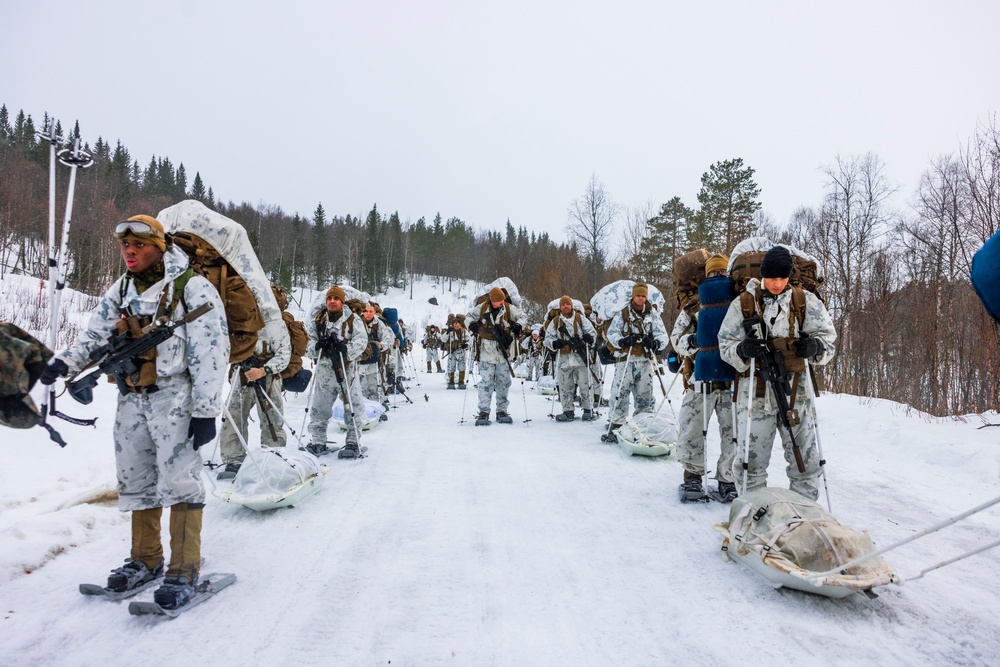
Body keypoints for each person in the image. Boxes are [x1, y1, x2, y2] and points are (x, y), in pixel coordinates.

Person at [39, 214, 228, 609]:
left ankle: (184, 568)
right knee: (135, 478)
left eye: (139, 244)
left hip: (176, 399)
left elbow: (212, 353)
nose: (130, 251)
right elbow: (96, 336)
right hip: (131, 398)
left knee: (180, 480)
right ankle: (146, 558)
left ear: (159, 246)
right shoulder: (122, 288)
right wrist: (65, 364)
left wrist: (206, 411)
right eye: (125, 245)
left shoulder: (191, 288)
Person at [718, 245, 837, 500]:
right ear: (763, 275)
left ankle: (803, 517)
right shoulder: (744, 303)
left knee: (805, 462)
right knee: (750, 464)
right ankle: (751, 515)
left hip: (796, 394)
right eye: (772, 278)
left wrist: (815, 346)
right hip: (755, 396)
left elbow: (828, 341)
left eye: (782, 278)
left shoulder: (804, 300)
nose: (777, 283)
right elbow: (725, 344)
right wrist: (742, 350)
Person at [671, 254, 736, 502]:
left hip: (731, 382)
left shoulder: (737, 303)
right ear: (705, 276)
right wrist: (694, 342)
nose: (716, 277)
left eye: (721, 273)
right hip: (699, 381)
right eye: (712, 273)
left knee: (734, 434)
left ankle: (728, 479)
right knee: (692, 429)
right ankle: (692, 477)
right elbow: (676, 339)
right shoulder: (694, 308)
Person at [216, 285, 292, 480]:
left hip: (267, 375)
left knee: (271, 418)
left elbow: (284, 354)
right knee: (234, 416)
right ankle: (233, 459)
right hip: (241, 374)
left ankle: (273, 455)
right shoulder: (237, 319)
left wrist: (263, 370)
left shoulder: (276, 324)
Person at [305, 285, 367, 458]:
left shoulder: (352, 320)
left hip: (345, 371)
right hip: (324, 371)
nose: (332, 302)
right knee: (319, 408)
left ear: (342, 301)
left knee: (352, 406)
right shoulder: (318, 320)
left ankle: (353, 441)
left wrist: (345, 349)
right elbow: (307, 343)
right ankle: (318, 441)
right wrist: (317, 346)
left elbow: (361, 341)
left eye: (336, 299)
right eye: (330, 299)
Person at [603, 283, 669, 442]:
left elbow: (662, 334)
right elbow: (611, 333)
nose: (641, 298)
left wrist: (655, 343)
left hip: (644, 360)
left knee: (644, 393)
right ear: (633, 296)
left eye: (643, 296)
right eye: (638, 295)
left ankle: (643, 423)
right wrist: (623, 341)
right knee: (620, 392)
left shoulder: (652, 313)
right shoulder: (623, 313)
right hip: (625, 359)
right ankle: (616, 424)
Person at [466, 286, 524, 425]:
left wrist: (518, 326)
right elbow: (468, 317)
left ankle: (502, 411)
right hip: (486, 352)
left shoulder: (509, 308)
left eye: (503, 300)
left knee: (503, 383)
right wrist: (471, 325)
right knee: (486, 383)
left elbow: (523, 316)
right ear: (492, 300)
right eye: (498, 301)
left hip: (504, 352)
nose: (501, 303)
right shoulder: (482, 308)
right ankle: (484, 412)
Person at [544, 295, 598, 422]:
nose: (565, 306)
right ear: (560, 307)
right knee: (565, 385)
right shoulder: (556, 321)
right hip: (564, 358)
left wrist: (589, 339)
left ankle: (588, 409)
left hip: (580, 357)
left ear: (571, 305)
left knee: (585, 384)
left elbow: (592, 333)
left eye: (567, 304)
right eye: (563, 305)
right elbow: (548, 338)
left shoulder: (581, 319)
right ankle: (567, 410)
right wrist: (554, 344)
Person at [358, 303, 395, 414]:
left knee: (374, 386)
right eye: (366, 311)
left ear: (374, 313)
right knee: (359, 387)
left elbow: (388, 340)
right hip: (358, 360)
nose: (368, 314)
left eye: (371, 311)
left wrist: (381, 345)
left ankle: (376, 408)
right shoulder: (356, 323)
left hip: (374, 360)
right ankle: (361, 408)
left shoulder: (379, 324)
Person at [443, 314, 469, 389]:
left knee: (462, 367)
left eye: (458, 326)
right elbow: (443, 339)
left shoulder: (464, 332)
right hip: (452, 352)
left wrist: (466, 345)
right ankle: (451, 382)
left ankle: (461, 382)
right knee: (451, 366)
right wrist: (447, 332)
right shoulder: (450, 332)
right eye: (455, 326)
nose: (457, 327)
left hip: (461, 351)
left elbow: (469, 340)